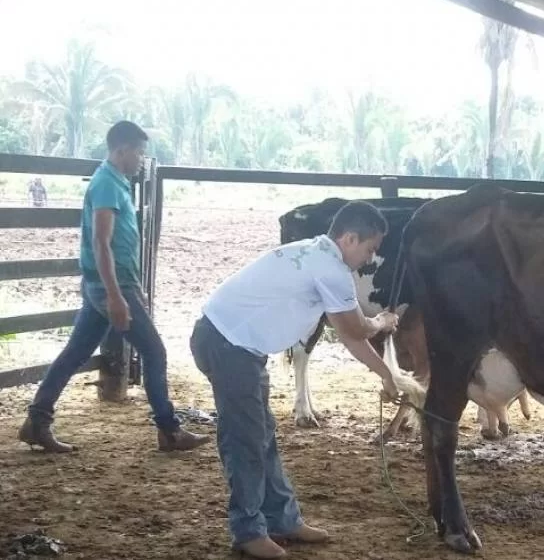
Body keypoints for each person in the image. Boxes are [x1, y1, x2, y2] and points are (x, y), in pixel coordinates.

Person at [189, 200, 402, 559]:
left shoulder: (314, 251)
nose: (370, 258)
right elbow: (356, 329)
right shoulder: (331, 269)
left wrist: (386, 374)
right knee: (246, 439)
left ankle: (282, 519)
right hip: (229, 344)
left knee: (261, 434)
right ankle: (248, 530)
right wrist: (381, 322)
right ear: (350, 239)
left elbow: (349, 335)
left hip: (234, 342)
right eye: (370, 249)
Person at [18, 120, 210, 454]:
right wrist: (116, 295)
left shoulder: (114, 181)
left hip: (110, 283)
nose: (141, 159)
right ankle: (169, 430)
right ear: (122, 150)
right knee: (154, 352)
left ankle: (37, 421)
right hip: (111, 284)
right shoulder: (107, 184)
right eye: (139, 152)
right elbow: (101, 242)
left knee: (75, 353)